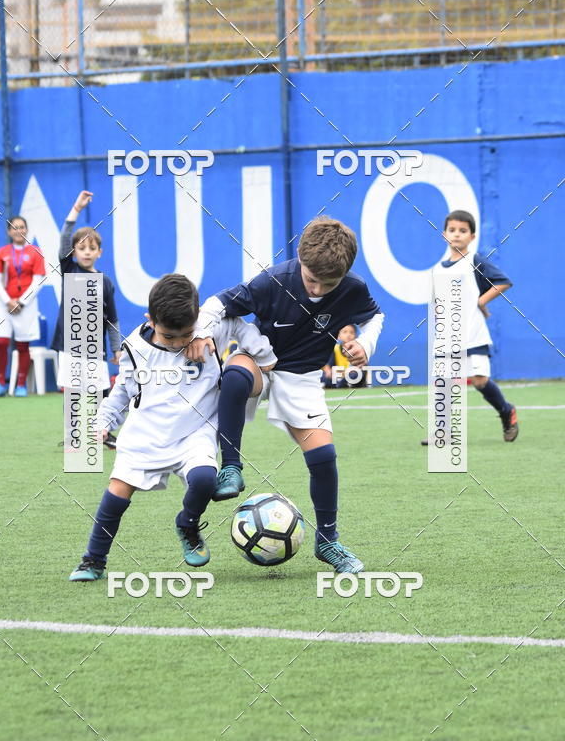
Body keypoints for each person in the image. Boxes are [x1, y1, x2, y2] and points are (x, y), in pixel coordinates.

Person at [189, 215, 384, 575]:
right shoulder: (273, 280)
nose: (318, 290)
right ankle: (231, 467)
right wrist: (200, 332)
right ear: (300, 259)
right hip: (262, 362)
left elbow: (374, 317)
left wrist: (365, 345)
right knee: (235, 373)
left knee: (324, 455)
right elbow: (219, 303)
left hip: (302, 377)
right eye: (311, 280)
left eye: (328, 284)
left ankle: (327, 541)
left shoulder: (353, 288)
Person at [69, 273, 276, 581]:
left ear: (197, 320)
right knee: (117, 494)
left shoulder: (208, 331)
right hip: (146, 433)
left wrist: (263, 354)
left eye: (186, 334)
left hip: (195, 433)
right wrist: (101, 423)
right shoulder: (135, 348)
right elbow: (122, 394)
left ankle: (187, 524)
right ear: (150, 320)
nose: (180, 343)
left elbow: (238, 326)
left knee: (205, 479)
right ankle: (93, 560)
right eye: (170, 338)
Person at [423, 210, 518, 445]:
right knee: (443, 382)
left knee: (479, 380)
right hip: (447, 337)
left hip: (473, 334)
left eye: (463, 231)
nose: (457, 234)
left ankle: (506, 411)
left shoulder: (474, 261)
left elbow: (503, 282)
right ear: (444, 234)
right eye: (452, 230)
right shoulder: (438, 269)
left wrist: (480, 302)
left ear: (472, 236)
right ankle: (443, 431)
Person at [51, 190, 121, 399]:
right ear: (73, 252)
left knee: (100, 396)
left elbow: (112, 320)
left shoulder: (105, 282)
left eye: (92, 248)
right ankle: (75, 423)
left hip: (95, 350)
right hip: (70, 348)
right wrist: (77, 208)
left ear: (100, 252)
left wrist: (116, 349)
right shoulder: (69, 271)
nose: (87, 251)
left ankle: (101, 422)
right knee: (74, 399)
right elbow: (65, 237)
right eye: (82, 248)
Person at [0, 216, 46, 397]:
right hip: (3, 304)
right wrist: (8, 301)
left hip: (25, 306)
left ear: (27, 230)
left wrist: (21, 302)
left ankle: (21, 385)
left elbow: (38, 280)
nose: (18, 230)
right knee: (1, 342)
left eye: (21, 227)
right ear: (9, 231)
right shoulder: (2, 253)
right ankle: (0, 384)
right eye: (14, 227)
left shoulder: (36, 252)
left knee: (23, 345)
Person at [321, 323, 366, 388]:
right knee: (323, 376)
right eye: (345, 332)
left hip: (351, 376)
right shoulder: (335, 349)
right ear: (339, 336)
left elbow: (362, 366)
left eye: (351, 332)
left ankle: (343, 385)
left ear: (356, 336)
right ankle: (338, 385)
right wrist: (328, 372)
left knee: (358, 374)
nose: (348, 335)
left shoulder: (358, 349)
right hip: (338, 376)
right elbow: (328, 365)